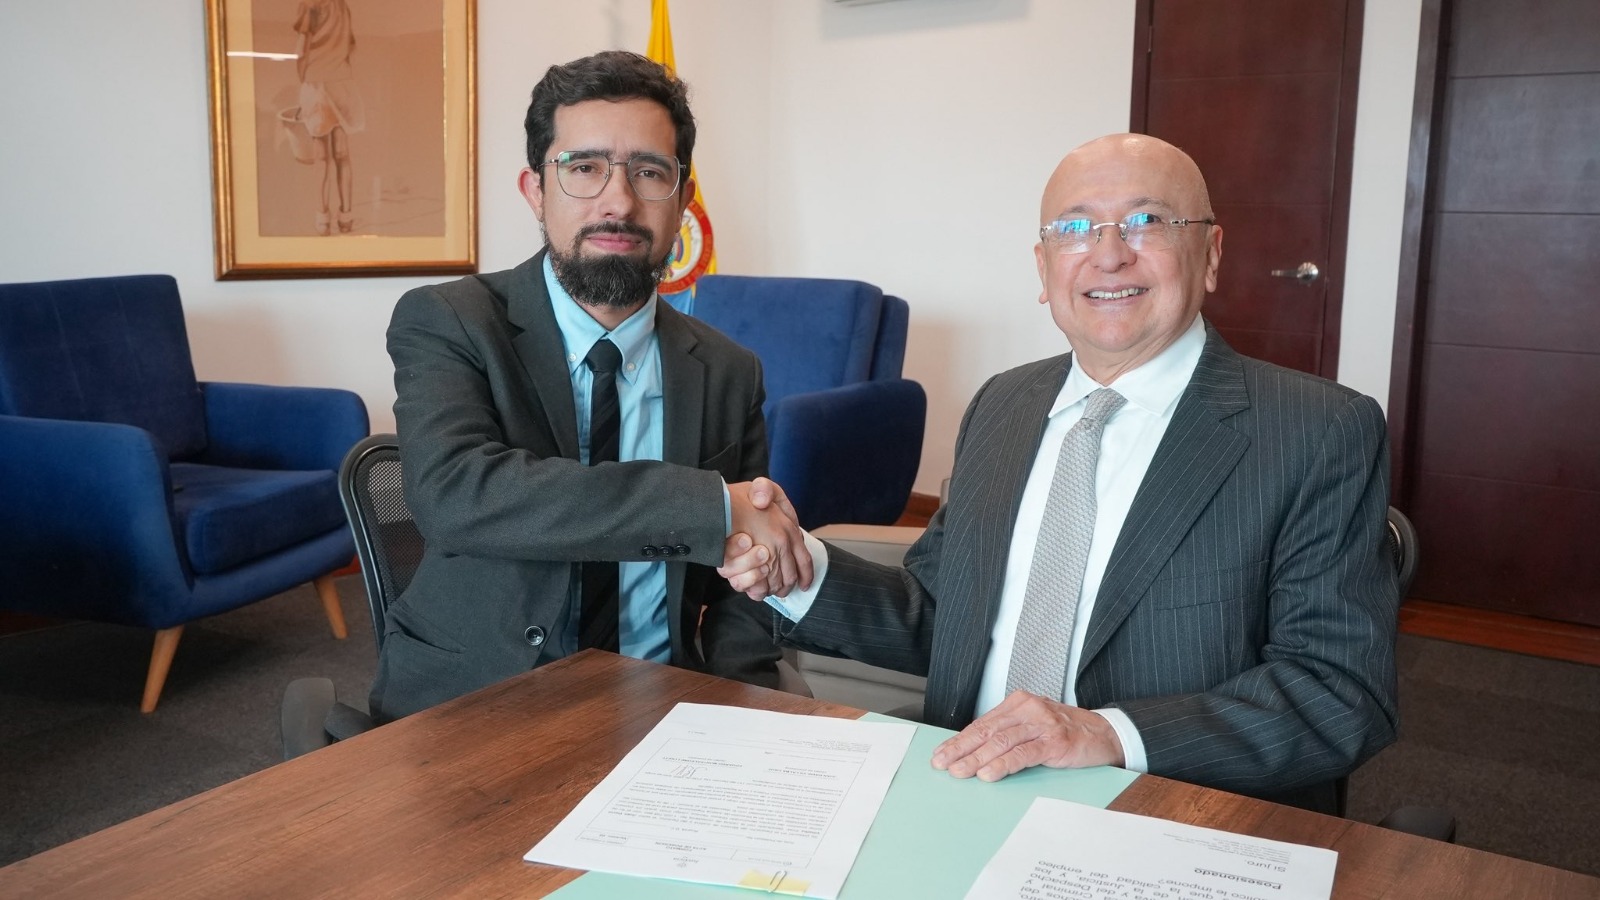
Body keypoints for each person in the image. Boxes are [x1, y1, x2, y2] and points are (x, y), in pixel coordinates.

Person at [722, 134, 1399, 812]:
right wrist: (797, 566)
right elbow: (939, 614)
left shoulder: (1317, 430)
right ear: (1044, 270)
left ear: (1211, 254)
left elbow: (1337, 692)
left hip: (1172, 811)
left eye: (1146, 220)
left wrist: (1107, 734)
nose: (1109, 254)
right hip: (969, 785)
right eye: (1075, 229)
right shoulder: (1003, 404)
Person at [370, 51, 809, 722]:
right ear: (534, 191)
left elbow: (740, 590)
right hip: (477, 702)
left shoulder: (728, 370)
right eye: (584, 168)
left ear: (683, 200)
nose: (619, 201)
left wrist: (742, 706)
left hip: (662, 699)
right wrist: (708, 506)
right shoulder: (449, 321)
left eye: (649, 172)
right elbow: (456, 496)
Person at [292, 0, 364, 235]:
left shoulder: (309, 3)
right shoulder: (342, 5)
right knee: (343, 155)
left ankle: (323, 219)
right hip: (344, 82)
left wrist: (303, 85)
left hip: (316, 82)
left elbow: (301, 51)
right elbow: (350, 46)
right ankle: (346, 217)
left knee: (321, 157)